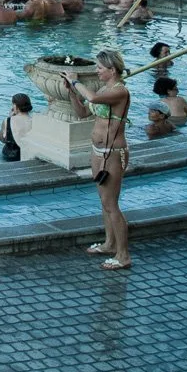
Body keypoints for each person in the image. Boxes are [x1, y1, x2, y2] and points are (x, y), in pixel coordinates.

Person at [63, 50, 132, 269]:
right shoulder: (104, 89)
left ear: (112, 70)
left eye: (100, 68)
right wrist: (72, 92)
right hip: (97, 151)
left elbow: (91, 98)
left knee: (111, 204)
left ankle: (123, 256)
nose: (97, 71)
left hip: (113, 152)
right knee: (104, 202)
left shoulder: (120, 91)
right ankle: (110, 244)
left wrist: (75, 81)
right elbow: (83, 112)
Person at [0, 94, 32, 161]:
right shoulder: (34, 121)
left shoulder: (8, 121)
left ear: (15, 106)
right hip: (28, 156)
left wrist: (10, 118)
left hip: (10, 157)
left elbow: (2, 139)